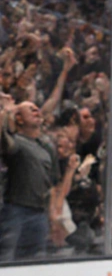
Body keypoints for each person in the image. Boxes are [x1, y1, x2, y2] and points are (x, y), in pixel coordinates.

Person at [0, 97, 71, 260]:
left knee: (36, 261)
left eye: (37, 108)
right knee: (6, 258)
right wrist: (7, 111)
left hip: (39, 213)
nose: (36, 110)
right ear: (19, 118)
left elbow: (51, 184)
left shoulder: (47, 146)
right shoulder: (16, 141)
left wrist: (53, 216)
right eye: (30, 109)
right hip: (15, 211)